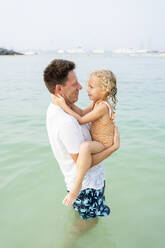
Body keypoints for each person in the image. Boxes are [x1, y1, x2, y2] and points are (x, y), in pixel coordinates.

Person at [43, 59, 120, 220]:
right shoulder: (67, 121)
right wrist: (113, 148)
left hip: (86, 177)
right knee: (88, 225)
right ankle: (69, 243)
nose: (83, 88)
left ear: (104, 90)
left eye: (91, 87)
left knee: (84, 221)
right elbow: (80, 117)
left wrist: (65, 105)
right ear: (59, 89)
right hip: (86, 187)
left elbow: (81, 116)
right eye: (75, 84)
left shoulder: (54, 109)